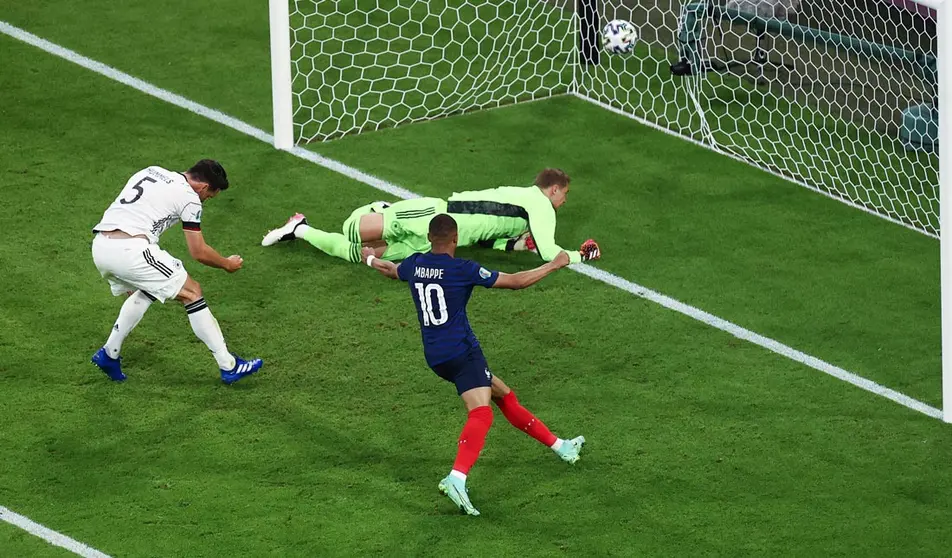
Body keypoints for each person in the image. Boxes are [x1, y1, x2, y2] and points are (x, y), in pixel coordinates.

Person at [363, 213, 585, 516]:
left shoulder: (415, 263)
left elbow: (391, 270)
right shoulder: (462, 269)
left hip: (436, 356)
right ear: (455, 239)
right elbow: (516, 282)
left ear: (430, 238)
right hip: (463, 352)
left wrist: (369, 260)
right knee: (481, 413)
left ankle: (561, 447)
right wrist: (556, 263)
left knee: (503, 395)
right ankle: (457, 477)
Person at [89, 160, 263, 384]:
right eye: (208, 197)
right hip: (130, 250)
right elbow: (198, 251)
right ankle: (229, 365)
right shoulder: (190, 198)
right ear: (203, 187)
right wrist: (226, 264)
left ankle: (109, 354)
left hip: (101, 246)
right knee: (192, 292)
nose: (205, 201)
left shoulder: (152, 171)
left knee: (147, 290)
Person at [260, 168, 601, 264]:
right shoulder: (538, 204)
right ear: (553, 190)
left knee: (358, 255)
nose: (564, 202)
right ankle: (381, 208)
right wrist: (579, 256)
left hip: (439, 241)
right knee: (352, 230)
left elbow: (490, 237)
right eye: (564, 195)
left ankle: (300, 229)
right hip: (434, 214)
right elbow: (549, 252)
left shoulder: (522, 211)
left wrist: (513, 248)